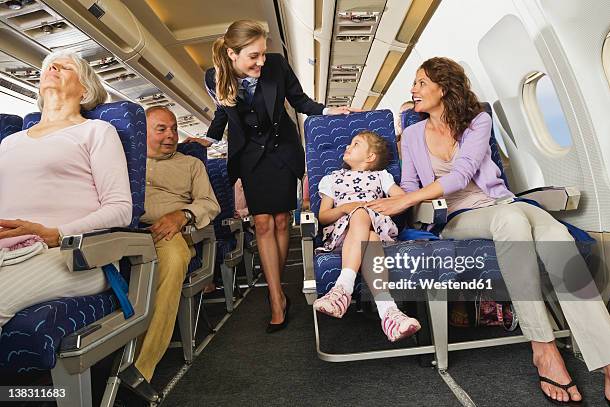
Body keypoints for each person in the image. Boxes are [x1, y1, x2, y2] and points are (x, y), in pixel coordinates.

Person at [368, 56, 610, 405]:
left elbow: (462, 173)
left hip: (503, 204)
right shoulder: (411, 134)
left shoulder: (477, 121)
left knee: (556, 235)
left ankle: (608, 360)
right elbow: (410, 186)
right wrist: (391, 201)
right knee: (514, 220)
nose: (413, 89)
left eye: (421, 82)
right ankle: (543, 348)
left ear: (443, 88)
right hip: (457, 216)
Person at [190, 19, 357, 332]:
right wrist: (209, 140)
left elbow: (299, 100)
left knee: (282, 220)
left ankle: (275, 286)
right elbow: (221, 115)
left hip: (282, 150)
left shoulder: (277, 65)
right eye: (253, 56)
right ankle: (276, 297)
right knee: (263, 222)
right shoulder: (214, 77)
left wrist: (326, 111)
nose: (261, 61)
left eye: (263, 54)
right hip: (251, 157)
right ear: (231, 54)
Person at [0, 50, 132, 332]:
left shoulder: (96, 131)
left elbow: (120, 209)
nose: (53, 68)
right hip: (7, 251)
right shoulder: (9, 142)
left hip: (73, 256)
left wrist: (57, 233)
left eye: (66, 67)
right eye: (49, 66)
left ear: (85, 90)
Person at [129, 106, 220, 385]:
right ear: (141, 132)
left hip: (168, 234)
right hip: (127, 231)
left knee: (175, 256)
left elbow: (210, 203)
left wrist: (182, 215)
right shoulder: (124, 162)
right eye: (161, 129)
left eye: (174, 129)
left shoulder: (191, 165)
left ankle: (140, 370)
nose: (170, 135)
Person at [312, 131, 421, 342]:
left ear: (370, 157)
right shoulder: (332, 179)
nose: (347, 146)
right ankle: (389, 311)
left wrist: (379, 206)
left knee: (367, 228)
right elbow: (324, 216)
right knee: (362, 223)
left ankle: (343, 289)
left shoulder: (382, 177)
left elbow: (401, 199)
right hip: (343, 231)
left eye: (356, 144)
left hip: (376, 227)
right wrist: (347, 208)